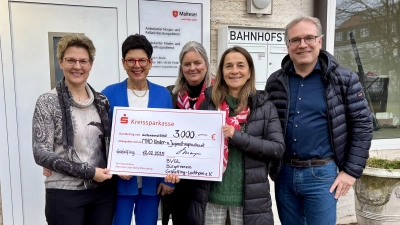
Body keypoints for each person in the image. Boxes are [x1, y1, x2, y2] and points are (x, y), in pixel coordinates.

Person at [265, 16, 373, 225]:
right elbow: (266, 124)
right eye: (295, 40)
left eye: (309, 38)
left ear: (320, 41)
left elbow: (363, 126)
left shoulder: (343, 79)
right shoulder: (275, 81)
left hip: (322, 176)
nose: (302, 45)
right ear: (287, 45)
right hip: (284, 174)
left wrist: (351, 172)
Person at [168, 46, 285, 225]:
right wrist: (177, 168)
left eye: (240, 65)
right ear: (222, 72)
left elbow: (276, 149)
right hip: (211, 198)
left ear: (249, 71)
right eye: (228, 66)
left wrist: (237, 136)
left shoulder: (264, 106)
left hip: (249, 201)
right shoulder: (208, 103)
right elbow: (193, 146)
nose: (235, 71)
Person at [32, 34, 116, 225]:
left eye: (83, 61)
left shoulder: (102, 101)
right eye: (71, 60)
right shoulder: (47, 101)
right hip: (64, 194)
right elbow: (41, 153)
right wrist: (89, 172)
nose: (77, 66)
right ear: (61, 62)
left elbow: (111, 144)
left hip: (102, 193)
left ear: (91, 64)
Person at [101, 34, 174, 225]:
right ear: (123, 63)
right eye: (130, 60)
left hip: (153, 182)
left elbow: (171, 139)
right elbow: (101, 138)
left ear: (150, 62)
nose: (137, 65)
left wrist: (169, 179)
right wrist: (115, 167)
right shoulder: (109, 94)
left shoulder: (163, 95)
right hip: (121, 183)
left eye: (142, 60)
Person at [162, 41, 213, 225]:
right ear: (181, 67)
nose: (192, 68)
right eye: (187, 64)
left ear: (206, 64)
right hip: (180, 178)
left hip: (208, 180)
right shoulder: (172, 95)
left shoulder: (218, 94)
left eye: (197, 62)